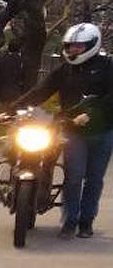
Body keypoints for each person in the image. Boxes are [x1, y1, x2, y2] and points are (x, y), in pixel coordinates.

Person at [9, 22, 113, 240]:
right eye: (70, 46)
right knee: (73, 177)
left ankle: (86, 222)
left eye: (78, 46)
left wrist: (92, 114)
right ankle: (70, 222)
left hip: (102, 132)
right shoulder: (64, 70)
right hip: (73, 132)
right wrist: (12, 109)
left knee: (94, 178)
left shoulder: (107, 66)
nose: (73, 50)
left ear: (92, 45)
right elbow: (40, 91)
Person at [0, 36, 25, 106]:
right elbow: (21, 76)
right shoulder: (20, 60)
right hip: (16, 91)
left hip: (3, 91)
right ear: (19, 49)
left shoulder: (2, 60)